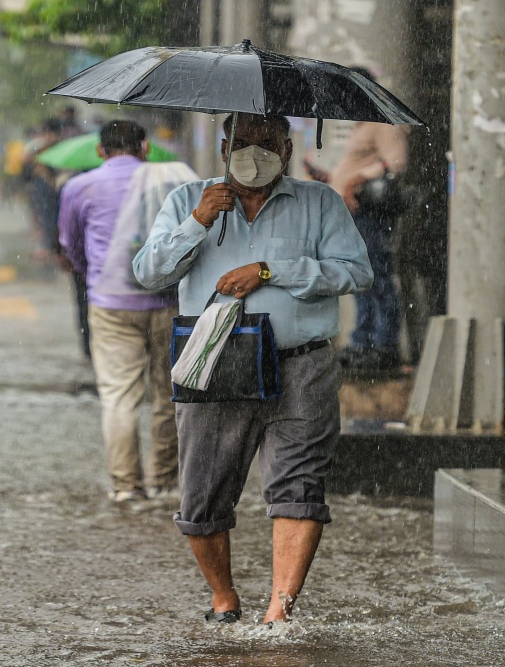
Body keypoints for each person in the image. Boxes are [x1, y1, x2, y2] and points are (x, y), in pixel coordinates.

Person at [133, 113, 372, 625]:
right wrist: (197, 222)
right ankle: (224, 596)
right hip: (214, 365)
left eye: (267, 143)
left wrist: (271, 271)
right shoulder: (186, 202)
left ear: (288, 150)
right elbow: (149, 273)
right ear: (224, 149)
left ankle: (279, 611)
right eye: (243, 143)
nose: (254, 153)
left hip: (301, 365)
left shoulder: (320, 203)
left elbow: (356, 271)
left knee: (299, 487)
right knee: (201, 497)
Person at [58, 120, 194, 502]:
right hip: (168, 300)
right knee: (168, 393)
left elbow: (71, 243)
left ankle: (125, 486)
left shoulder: (79, 186)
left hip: (111, 303)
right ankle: (164, 481)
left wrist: (94, 275)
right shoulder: (169, 183)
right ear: (145, 148)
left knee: (119, 397)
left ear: (100, 151)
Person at [329, 68, 410, 373]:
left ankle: (384, 344)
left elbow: (396, 162)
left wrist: (356, 180)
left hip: (370, 210)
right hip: (353, 211)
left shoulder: (381, 120)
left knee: (377, 276)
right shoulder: (361, 122)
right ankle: (363, 341)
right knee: (362, 276)